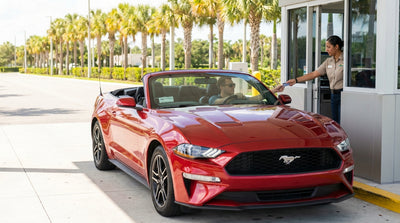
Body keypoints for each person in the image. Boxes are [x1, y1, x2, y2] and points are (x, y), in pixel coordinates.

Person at [286, 35, 344, 123]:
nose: (326, 50)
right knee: (336, 121)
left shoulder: (346, 60)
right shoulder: (328, 61)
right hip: (333, 96)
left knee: (345, 120)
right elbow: (314, 74)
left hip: (344, 95)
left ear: (336, 47)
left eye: (329, 47)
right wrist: (296, 80)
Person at [209, 76, 284, 104]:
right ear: (221, 87)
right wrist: (235, 97)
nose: (233, 87)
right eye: (230, 85)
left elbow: (255, 99)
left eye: (234, 85)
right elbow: (217, 102)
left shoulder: (240, 98)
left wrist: (274, 90)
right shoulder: (213, 98)